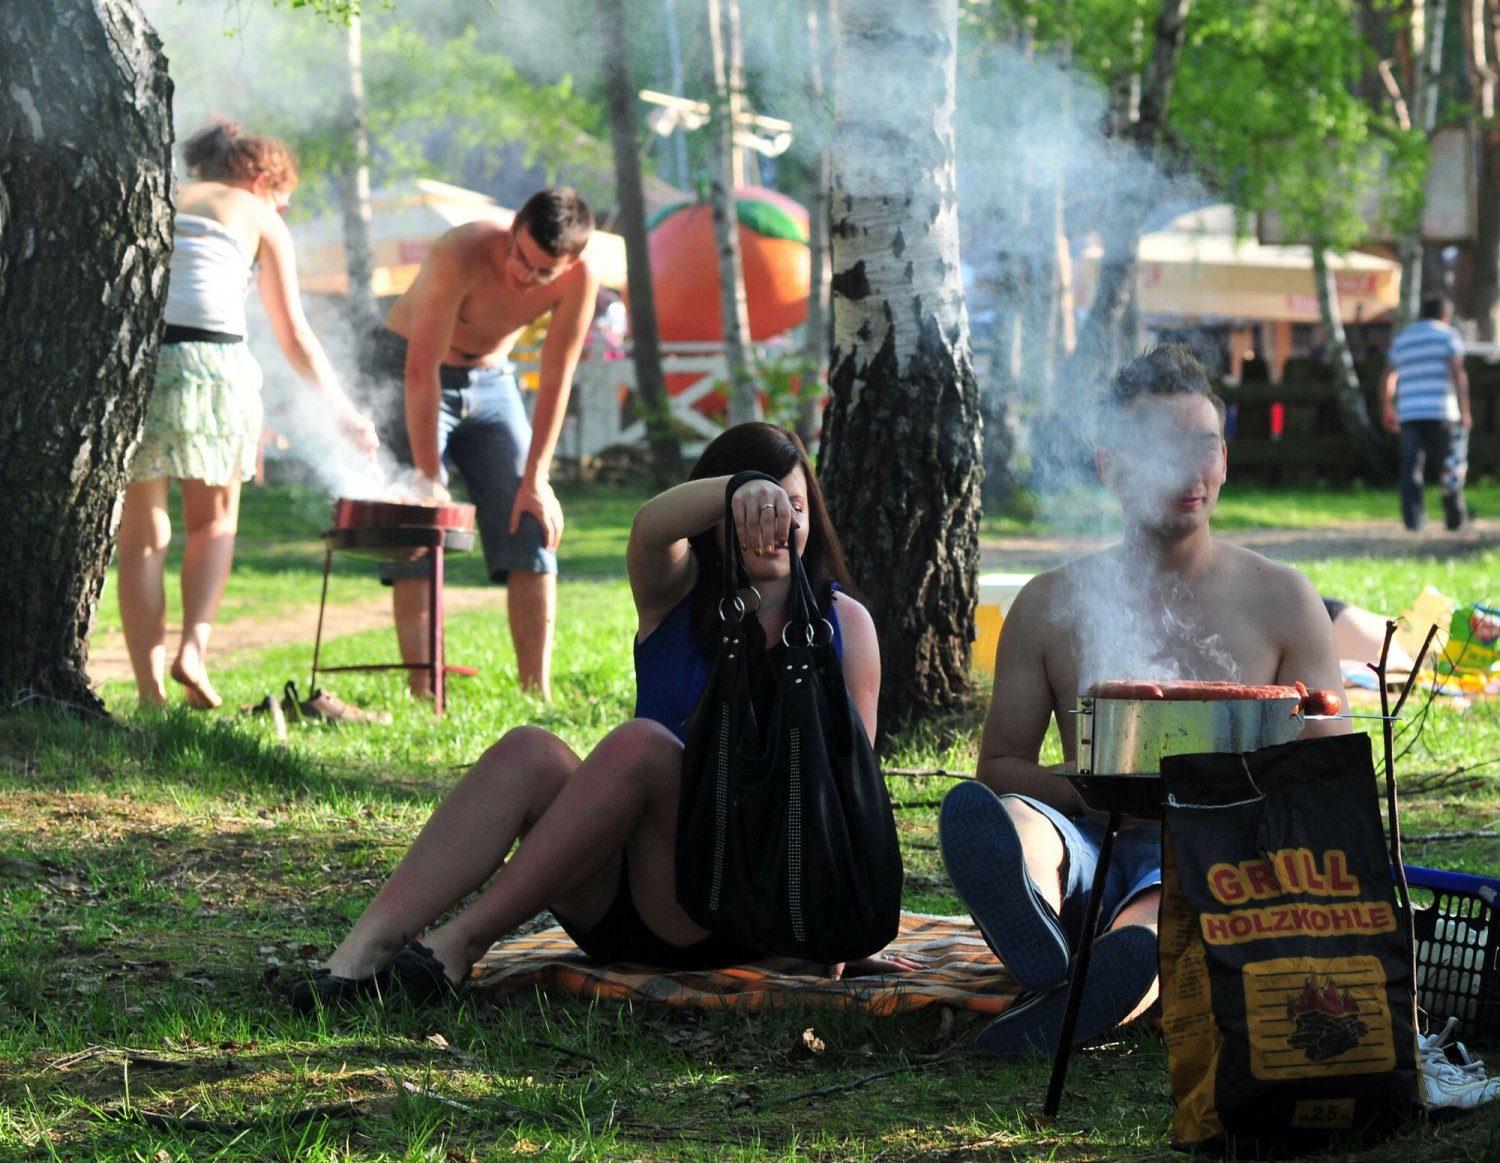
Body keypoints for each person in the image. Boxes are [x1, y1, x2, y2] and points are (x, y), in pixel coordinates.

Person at [290, 423, 884, 1011]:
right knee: (530, 749)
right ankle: (355, 959)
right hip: (617, 898)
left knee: (643, 746)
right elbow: (650, 526)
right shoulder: (675, 592)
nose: (778, 526)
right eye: (760, 509)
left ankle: (455, 946)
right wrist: (740, 486)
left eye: (794, 508)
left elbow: (847, 796)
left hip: (734, 908)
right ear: (716, 516)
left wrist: (839, 932)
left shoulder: (846, 625)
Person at [940, 344, 1349, 1058]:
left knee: (1169, 900)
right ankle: (1031, 905)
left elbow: (1329, 765)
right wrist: (1093, 797)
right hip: (1086, 833)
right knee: (1014, 820)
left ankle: (1100, 978)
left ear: (1225, 455)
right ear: (1107, 464)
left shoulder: (1282, 596)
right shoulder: (1050, 603)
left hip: (1213, 852)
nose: (1190, 471)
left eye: (1205, 446)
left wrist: (1221, 801)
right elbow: (1001, 762)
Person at [119, 121, 379, 710]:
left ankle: (148, 691)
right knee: (212, 524)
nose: (282, 207)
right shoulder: (258, 214)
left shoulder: (158, 192)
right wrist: (345, 414)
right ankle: (193, 649)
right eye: (283, 196)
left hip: (139, 365)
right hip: (215, 366)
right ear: (259, 178)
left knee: (143, 534)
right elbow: (296, 337)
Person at [371, 188, 599, 702]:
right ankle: (424, 689)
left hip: (494, 380)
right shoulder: (461, 252)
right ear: (512, 226)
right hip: (410, 366)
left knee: (533, 519)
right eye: (519, 256)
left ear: (571, 264)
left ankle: (535, 692)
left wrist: (537, 478)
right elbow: (419, 368)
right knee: (419, 518)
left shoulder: (580, 281)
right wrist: (430, 477)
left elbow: (557, 375)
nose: (524, 275)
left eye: (542, 272)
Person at [1380, 297, 1471, 533]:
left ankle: (1413, 519)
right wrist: (1465, 410)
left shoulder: (1404, 338)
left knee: (1411, 466)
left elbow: (1388, 377)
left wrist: (1387, 408)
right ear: (1445, 315)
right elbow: (1458, 374)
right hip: (1442, 410)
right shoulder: (1447, 335)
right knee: (1448, 465)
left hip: (1409, 411)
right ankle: (1455, 517)